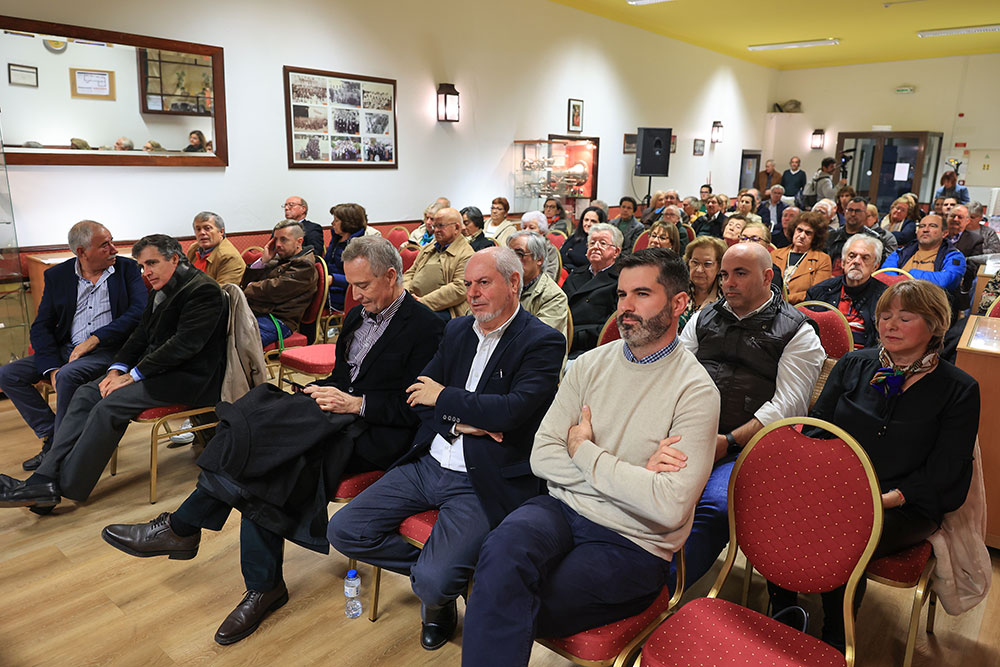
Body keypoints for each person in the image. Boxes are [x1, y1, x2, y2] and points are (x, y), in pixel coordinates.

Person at [101, 236, 445, 646]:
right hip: (335, 415)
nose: (354, 295)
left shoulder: (428, 328)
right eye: (351, 285)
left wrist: (357, 404)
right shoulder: (357, 316)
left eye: (364, 286)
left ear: (392, 276)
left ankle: (194, 536)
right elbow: (341, 377)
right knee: (252, 420)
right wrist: (321, 392)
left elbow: (420, 407)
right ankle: (248, 576)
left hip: (378, 431)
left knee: (265, 459)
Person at [460, 249, 721, 666]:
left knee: (510, 601)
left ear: (678, 303)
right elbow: (542, 456)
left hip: (634, 540)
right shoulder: (589, 365)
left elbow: (669, 508)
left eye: (641, 294)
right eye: (620, 295)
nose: (625, 308)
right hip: (561, 508)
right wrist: (636, 477)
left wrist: (583, 449)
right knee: (495, 560)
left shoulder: (696, 392)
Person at [327, 247, 565, 651]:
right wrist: (462, 417)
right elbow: (417, 396)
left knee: (435, 582)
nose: (471, 293)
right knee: (344, 530)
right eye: (468, 284)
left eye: (483, 283)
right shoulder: (456, 331)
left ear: (512, 283)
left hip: (480, 477)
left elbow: (512, 412)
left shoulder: (541, 341)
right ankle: (440, 579)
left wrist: (446, 399)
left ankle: (437, 598)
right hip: (428, 462)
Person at [773, 280, 979, 650]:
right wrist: (824, 482)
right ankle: (784, 611)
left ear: (934, 326)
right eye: (884, 315)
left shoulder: (959, 389)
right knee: (785, 512)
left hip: (906, 502)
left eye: (905, 316)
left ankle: (837, 639)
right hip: (839, 486)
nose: (890, 324)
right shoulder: (855, 363)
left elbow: (946, 471)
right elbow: (819, 428)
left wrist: (886, 498)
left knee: (843, 535)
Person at [0, 235, 227, 511]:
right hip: (159, 371)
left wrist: (133, 375)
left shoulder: (204, 290)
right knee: (86, 393)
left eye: (152, 263)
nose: (147, 272)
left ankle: (61, 487)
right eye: (143, 266)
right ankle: (44, 477)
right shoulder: (162, 286)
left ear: (175, 259)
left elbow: (184, 347)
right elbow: (140, 335)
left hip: (189, 379)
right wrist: (116, 369)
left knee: (110, 405)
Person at [678, 242, 824, 586]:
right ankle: (626, 564)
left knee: (715, 507)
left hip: (747, 448)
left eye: (740, 274)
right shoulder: (705, 315)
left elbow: (788, 406)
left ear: (767, 277)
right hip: (691, 432)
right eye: (725, 274)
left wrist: (727, 441)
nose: (728, 282)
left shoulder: (797, 332)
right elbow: (675, 372)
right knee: (637, 477)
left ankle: (663, 590)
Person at [0, 221, 146, 471]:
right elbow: (42, 325)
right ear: (81, 252)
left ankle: (58, 456)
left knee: (68, 376)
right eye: (105, 245)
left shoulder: (127, 269)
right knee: (8, 374)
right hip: (66, 349)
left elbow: (138, 313)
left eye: (112, 241)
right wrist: (51, 368)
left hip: (109, 350)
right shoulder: (57, 275)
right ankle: (53, 437)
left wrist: (96, 338)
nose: (114, 248)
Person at [806, 235, 888, 349]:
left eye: (865, 258)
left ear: (875, 266)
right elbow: (806, 334)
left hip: (863, 360)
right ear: (843, 262)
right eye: (852, 256)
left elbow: (885, 343)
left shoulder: (886, 298)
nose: (857, 261)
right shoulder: (819, 292)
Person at [243, 221, 317, 346]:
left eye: (283, 240)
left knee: (237, 343)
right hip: (259, 312)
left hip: (278, 320)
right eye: (275, 239)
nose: (277, 244)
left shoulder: (304, 265)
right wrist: (263, 261)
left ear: (299, 241)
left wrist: (250, 287)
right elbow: (244, 283)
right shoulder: (279, 259)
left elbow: (273, 290)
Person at [403, 207, 475, 321]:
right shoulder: (428, 248)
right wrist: (405, 295)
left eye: (440, 226)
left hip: (444, 309)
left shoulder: (466, 254)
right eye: (434, 226)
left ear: (456, 227)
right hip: (414, 303)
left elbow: (460, 288)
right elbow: (410, 273)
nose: (436, 230)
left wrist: (422, 303)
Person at [562, 222, 622, 358]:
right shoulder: (575, 274)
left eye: (602, 243)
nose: (596, 247)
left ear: (616, 252)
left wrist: (577, 336)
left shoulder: (621, 280)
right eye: (592, 243)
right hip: (563, 339)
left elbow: (614, 325)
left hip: (593, 347)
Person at [881, 214, 965, 294]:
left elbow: (946, 280)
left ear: (944, 233)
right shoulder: (901, 252)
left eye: (932, 226)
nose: (925, 230)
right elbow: (885, 274)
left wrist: (909, 275)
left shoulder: (954, 256)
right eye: (922, 226)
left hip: (932, 305)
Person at [508, 231, 568, 336]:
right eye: (509, 254)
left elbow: (537, 337)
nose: (512, 260)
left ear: (539, 259)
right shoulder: (503, 284)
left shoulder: (554, 296)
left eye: (519, 254)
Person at [771, 211, 833, 304]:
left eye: (808, 233)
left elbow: (817, 293)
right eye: (799, 230)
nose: (802, 236)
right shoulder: (775, 254)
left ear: (815, 237)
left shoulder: (822, 260)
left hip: (800, 309)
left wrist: (784, 299)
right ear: (794, 230)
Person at [324, 203, 369, 311]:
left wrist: (333, 279)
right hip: (329, 289)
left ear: (348, 223)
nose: (332, 223)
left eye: (336, 220)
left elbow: (361, 280)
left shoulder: (359, 246)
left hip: (343, 294)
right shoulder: (336, 239)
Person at [678, 236, 726, 333]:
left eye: (707, 264)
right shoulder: (677, 288)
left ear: (719, 267)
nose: (699, 270)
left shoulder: (727, 297)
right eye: (695, 262)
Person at [827, 197, 886, 274]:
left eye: (857, 211)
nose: (853, 214)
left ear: (865, 214)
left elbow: (878, 268)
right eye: (850, 210)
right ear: (844, 212)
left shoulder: (874, 239)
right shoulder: (831, 235)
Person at [185, 211, 245, 285]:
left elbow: (221, 293)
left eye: (207, 228)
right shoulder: (194, 249)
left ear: (221, 231)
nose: (202, 233)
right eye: (198, 229)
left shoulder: (229, 257)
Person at [518, 210, 560, 279]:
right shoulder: (518, 247)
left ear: (542, 231)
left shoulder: (549, 249)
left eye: (531, 228)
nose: (526, 231)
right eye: (524, 227)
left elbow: (550, 276)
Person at [560, 206, 603, 273]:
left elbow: (590, 263)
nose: (588, 224)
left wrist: (570, 253)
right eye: (586, 220)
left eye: (593, 221)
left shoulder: (602, 242)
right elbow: (561, 256)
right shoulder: (574, 237)